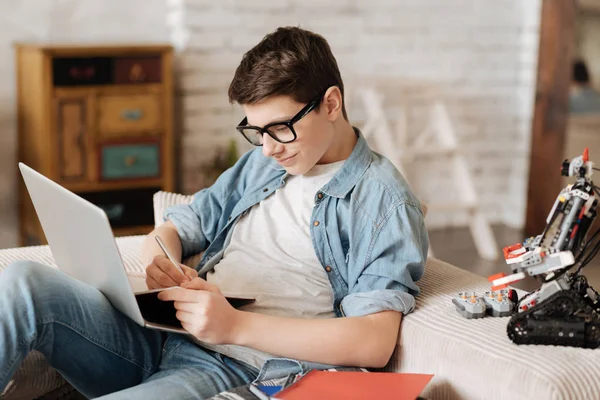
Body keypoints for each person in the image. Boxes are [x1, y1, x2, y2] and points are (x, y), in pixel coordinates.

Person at [0, 27, 428, 399]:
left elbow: (374, 340)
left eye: (280, 127)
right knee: (21, 281)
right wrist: (161, 266)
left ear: (331, 104)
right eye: (255, 131)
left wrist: (232, 326)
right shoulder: (263, 163)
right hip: (166, 333)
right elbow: (175, 229)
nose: (269, 147)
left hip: (237, 365)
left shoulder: (383, 200)